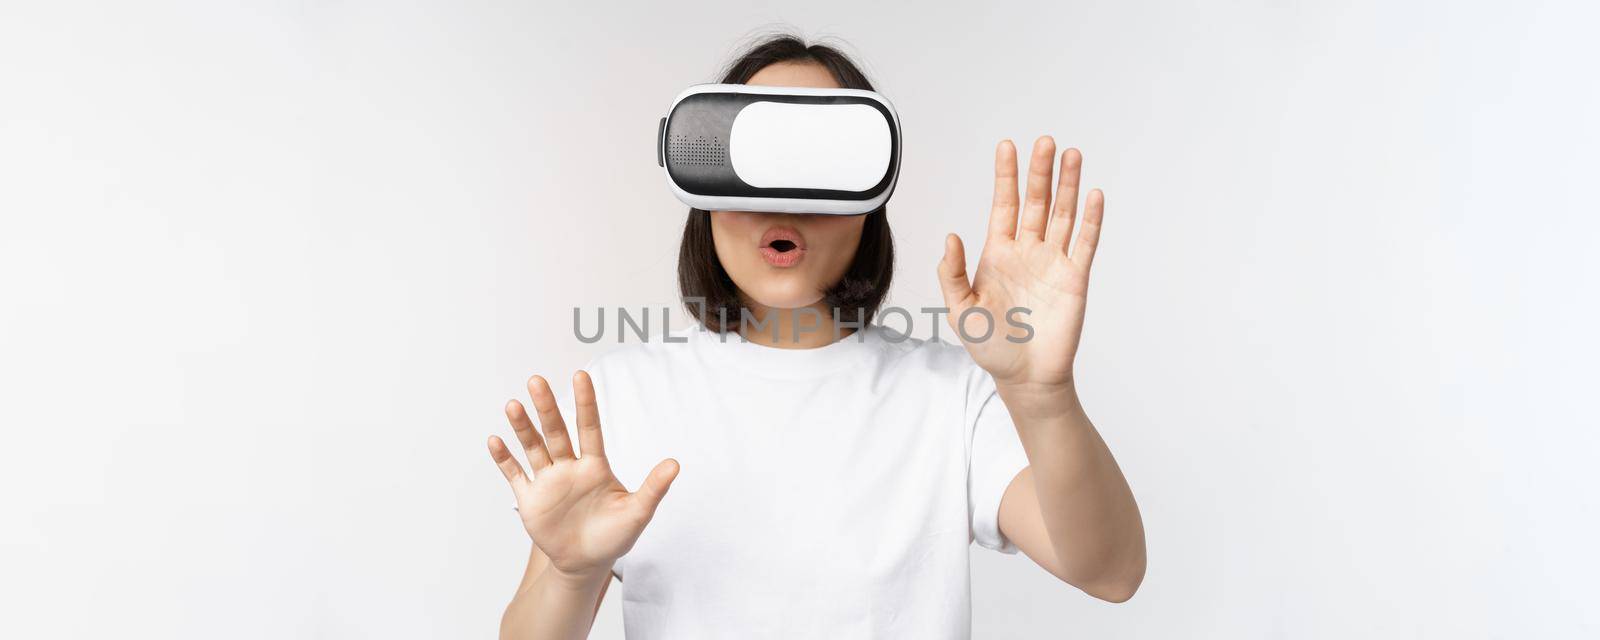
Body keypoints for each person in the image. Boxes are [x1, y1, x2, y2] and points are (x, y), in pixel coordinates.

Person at [484, 34, 1146, 639]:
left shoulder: (950, 397)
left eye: (822, 163)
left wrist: (1042, 396)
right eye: (754, 159)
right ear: (705, 187)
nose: (785, 200)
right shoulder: (622, 396)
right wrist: (571, 573)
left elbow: (1110, 572)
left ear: (868, 203)